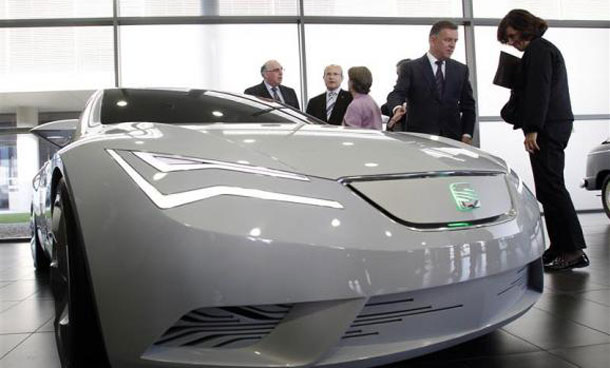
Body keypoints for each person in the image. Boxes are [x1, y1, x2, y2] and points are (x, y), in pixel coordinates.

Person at [497, 9, 588, 271]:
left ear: (525, 27)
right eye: (508, 39)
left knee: (553, 188)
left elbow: (539, 91)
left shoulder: (538, 51)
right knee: (548, 188)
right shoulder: (541, 50)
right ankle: (559, 246)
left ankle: (572, 250)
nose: (513, 42)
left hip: (547, 127)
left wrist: (532, 129)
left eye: (513, 36)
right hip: (553, 124)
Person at [386, 20, 475, 143]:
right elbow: (396, 94)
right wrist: (397, 108)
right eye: (448, 40)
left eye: (455, 41)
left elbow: (468, 105)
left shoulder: (460, 70)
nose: (452, 45)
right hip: (420, 139)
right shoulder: (411, 68)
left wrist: (467, 134)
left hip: (452, 139)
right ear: (433, 40)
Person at [381, 58, 411, 131]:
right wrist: (397, 109)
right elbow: (385, 107)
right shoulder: (396, 95)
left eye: (401, 75)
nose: (398, 79)